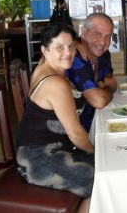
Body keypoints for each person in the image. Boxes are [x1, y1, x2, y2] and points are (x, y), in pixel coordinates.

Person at [15, 25, 94, 213]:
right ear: (44, 50)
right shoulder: (55, 82)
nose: (68, 52)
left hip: (43, 150)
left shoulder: (44, 67)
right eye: (59, 47)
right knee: (106, 179)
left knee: (108, 170)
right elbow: (75, 134)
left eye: (71, 46)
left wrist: (77, 47)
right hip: (39, 158)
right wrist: (95, 151)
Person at [66, 13, 118, 133]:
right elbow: (99, 100)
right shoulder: (74, 58)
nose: (103, 42)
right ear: (83, 32)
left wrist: (105, 88)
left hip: (94, 122)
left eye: (108, 36)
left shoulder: (104, 55)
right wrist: (110, 88)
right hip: (71, 135)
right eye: (98, 34)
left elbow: (105, 81)